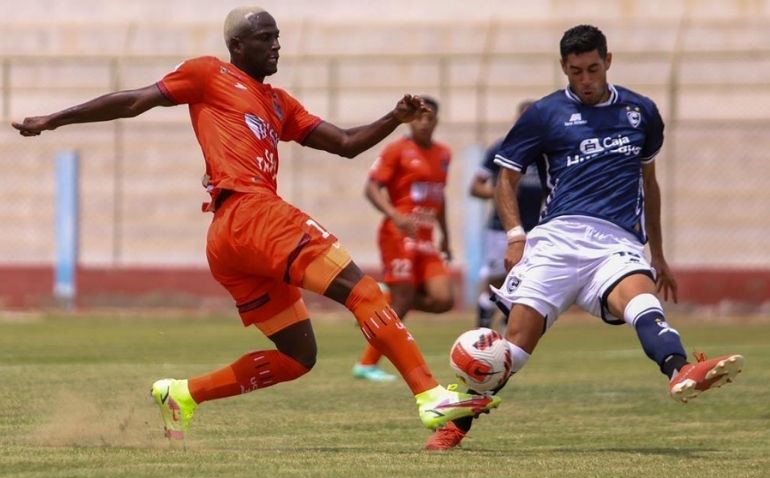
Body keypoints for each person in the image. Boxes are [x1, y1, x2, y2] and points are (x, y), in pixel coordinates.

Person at [12, 6, 501, 441]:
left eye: (278, 37)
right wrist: (53, 119)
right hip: (249, 213)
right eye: (265, 38)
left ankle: (181, 394)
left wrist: (393, 118)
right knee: (364, 291)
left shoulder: (278, 103)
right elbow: (134, 101)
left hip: (232, 236)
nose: (276, 45)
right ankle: (430, 396)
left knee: (297, 356)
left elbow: (346, 143)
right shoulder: (207, 74)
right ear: (236, 46)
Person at [425, 24, 744, 451]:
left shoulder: (641, 112)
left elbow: (649, 183)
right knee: (514, 346)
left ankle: (680, 371)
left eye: (593, 69)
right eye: (576, 72)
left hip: (615, 241)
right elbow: (506, 176)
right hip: (557, 239)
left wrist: (660, 255)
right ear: (564, 68)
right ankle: (455, 427)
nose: (586, 80)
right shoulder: (544, 114)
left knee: (642, 302)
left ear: (608, 61)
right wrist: (517, 235)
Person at [351, 96, 454, 382]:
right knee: (405, 298)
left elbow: (439, 195)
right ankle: (366, 364)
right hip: (398, 234)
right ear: (412, 120)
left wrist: (445, 235)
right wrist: (395, 214)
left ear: (435, 120)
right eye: (418, 117)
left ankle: (387, 297)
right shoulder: (397, 150)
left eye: (428, 117)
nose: (423, 122)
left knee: (444, 300)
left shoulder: (444, 154)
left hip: (426, 238)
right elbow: (371, 187)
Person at [469, 100, 545, 331]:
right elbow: (475, 187)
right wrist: (503, 191)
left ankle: (505, 333)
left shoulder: (546, 153)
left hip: (534, 228)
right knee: (495, 282)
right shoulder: (502, 148)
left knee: (523, 283)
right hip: (499, 228)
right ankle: (481, 331)